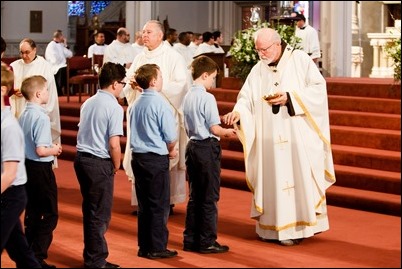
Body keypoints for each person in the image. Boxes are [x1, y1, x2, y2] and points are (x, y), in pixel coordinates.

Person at [222, 27, 336, 246]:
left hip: (296, 136)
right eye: (258, 51)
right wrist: (239, 111)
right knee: (274, 179)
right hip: (269, 139)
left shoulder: (300, 60)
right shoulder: (258, 69)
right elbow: (246, 97)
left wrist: (290, 97)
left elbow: (318, 89)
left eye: (264, 49)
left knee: (298, 177)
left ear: (277, 44)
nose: (261, 54)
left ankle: (300, 227)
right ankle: (272, 229)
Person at [122, 20, 189, 217]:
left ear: (160, 35)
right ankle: (142, 199)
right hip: (142, 115)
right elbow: (128, 83)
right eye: (143, 32)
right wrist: (133, 86)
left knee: (162, 160)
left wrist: (154, 87)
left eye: (149, 32)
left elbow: (182, 86)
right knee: (142, 158)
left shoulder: (173, 57)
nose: (144, 35)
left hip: (163, 114)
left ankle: (165, 201)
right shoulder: (140, 57)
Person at [73, 62, 125, 269]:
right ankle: (95, 260)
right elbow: (114, 143)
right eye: (121, 83)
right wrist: (117, 164)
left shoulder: (89, 102)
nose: (122, 87)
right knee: (99, 214)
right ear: (114, 84)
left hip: (81, 159)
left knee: (91, 210)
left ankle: (93, 256)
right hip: (98, 162)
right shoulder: (113, 106)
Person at [182, 55, 234, 254]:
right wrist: (228, 132)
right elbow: (214, 129)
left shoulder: (188, 95)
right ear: (204, 75)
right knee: (209, 197)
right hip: (206, 148)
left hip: (192, 146)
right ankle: (206, 241)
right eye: (212, 77)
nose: (213, 81)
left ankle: (190, 239)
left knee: (195, 196)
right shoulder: (207, 97)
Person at [129, 63, 179, 259]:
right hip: (156, 158)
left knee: (144, 205)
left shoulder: (136, 103)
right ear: (153, 81)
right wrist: (171, 150)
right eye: (160, 76)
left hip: (138, 158)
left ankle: (145, 246)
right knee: (158, 204)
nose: (162, 80)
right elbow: (170, 135)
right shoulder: (160, 103)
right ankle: (157, 247)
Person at [18, 75, 63, 268]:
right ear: (38, 94)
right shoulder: (41, 117)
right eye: (45, 90)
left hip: (27, 167)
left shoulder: (23, 114)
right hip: (40, 168)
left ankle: (28, 257)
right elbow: (41, 150)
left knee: (33, 213)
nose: (47, 92)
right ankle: (37, 256)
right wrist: (56, 149)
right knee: (49, 213)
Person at [1, 65, 42, 269]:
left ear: (2, 90)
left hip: (11, 195)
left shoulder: (8, 127)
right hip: (4, 193)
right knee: (20, 250)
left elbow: (9, 174)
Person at [10, 38, 62, 169]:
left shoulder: (44, 66)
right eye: (21, 52)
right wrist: (14, 91)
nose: (24, 56)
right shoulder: (15, 66)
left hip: (38, 112)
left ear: (35, 50)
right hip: (19, 111)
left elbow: (49, 92)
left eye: (27, 52)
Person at [45, 30, 73, 96]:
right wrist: (62, 60)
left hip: (61, 65)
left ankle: (68, 89)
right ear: (59, 36)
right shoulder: (51, 45)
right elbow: (54, 60)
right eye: (62, 36)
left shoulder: (60, 45)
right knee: (63, 69)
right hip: (54, 66)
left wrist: (65, 44)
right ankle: (59, 89)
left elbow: (70, 54)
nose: (63, 38)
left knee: (72, 70)